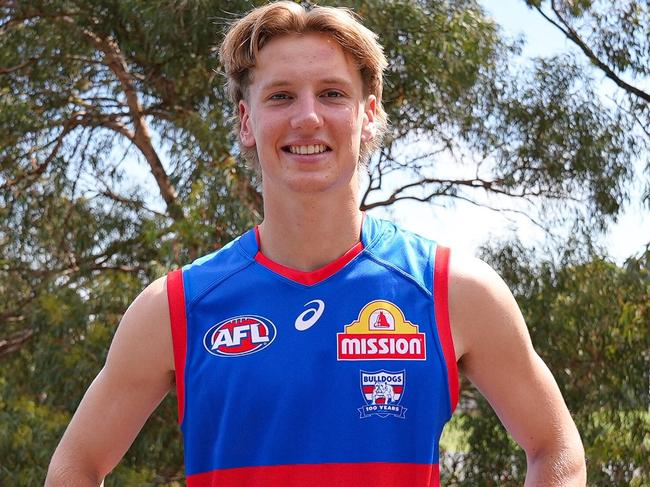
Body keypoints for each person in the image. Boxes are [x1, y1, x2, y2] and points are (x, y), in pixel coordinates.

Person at [46, 2, 586, 486]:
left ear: (367, 115)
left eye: (332, 94)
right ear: (245, 121)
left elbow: (556, 448)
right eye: (280, 97)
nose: (307, 117)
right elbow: (76, 465)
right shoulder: (175, 308)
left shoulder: (452, 291)